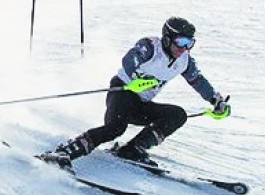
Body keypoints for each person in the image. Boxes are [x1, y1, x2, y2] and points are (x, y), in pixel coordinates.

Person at [39, 16, 230, 169]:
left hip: (141, 104)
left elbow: (198, 81)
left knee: (177, 115)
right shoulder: (150, 46)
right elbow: (130, 59)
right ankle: (65, 152)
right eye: (181, 41)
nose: (184, 48)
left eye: (190, 43)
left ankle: (132, 149)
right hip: (122, 92)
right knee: (115, 128)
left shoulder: (185, 60)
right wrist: (137, 76)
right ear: (168, 37)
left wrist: (215, 100)